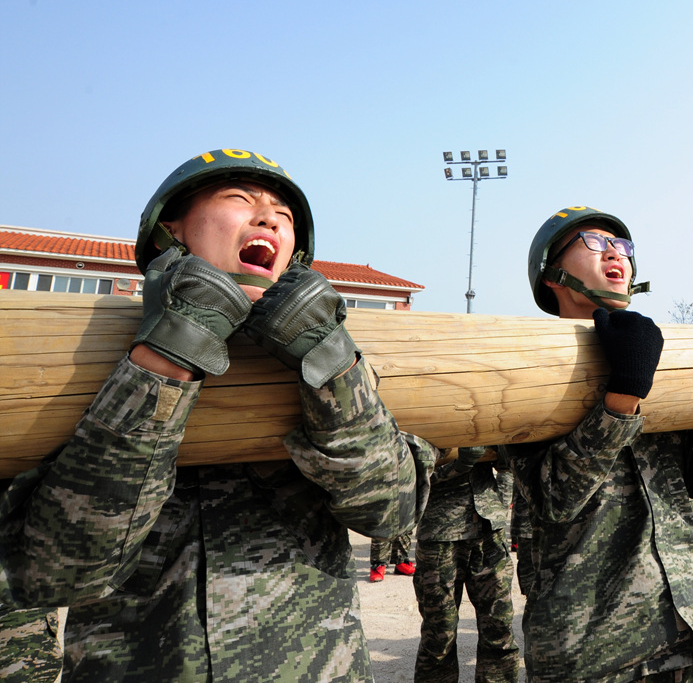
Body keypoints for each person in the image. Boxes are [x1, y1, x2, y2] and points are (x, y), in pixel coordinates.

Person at [0, 149, 430, 683]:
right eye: (238, 199)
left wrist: (331, 360)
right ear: (170, 230)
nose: (270, 218)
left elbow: (387, 514)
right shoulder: (72, 367)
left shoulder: (338, 356)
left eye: (285, 216)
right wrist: (166, 357)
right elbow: (62, 574)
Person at [502, 206, 693, 683]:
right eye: (593, 244)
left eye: (622, 247)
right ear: (551, 274)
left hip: (684, 632)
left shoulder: (662, 352)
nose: (615, 255)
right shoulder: (526, 365)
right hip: (591, 650)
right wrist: (620, 400)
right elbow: (555, 500)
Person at [413, 447, 520, 683]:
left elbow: (506, 466)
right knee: (440, 635)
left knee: (499, 629)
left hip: (489, 533)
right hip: (440, 536)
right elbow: (409, 475)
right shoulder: (421, 415)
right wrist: (458, 466)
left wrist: (501, 502)